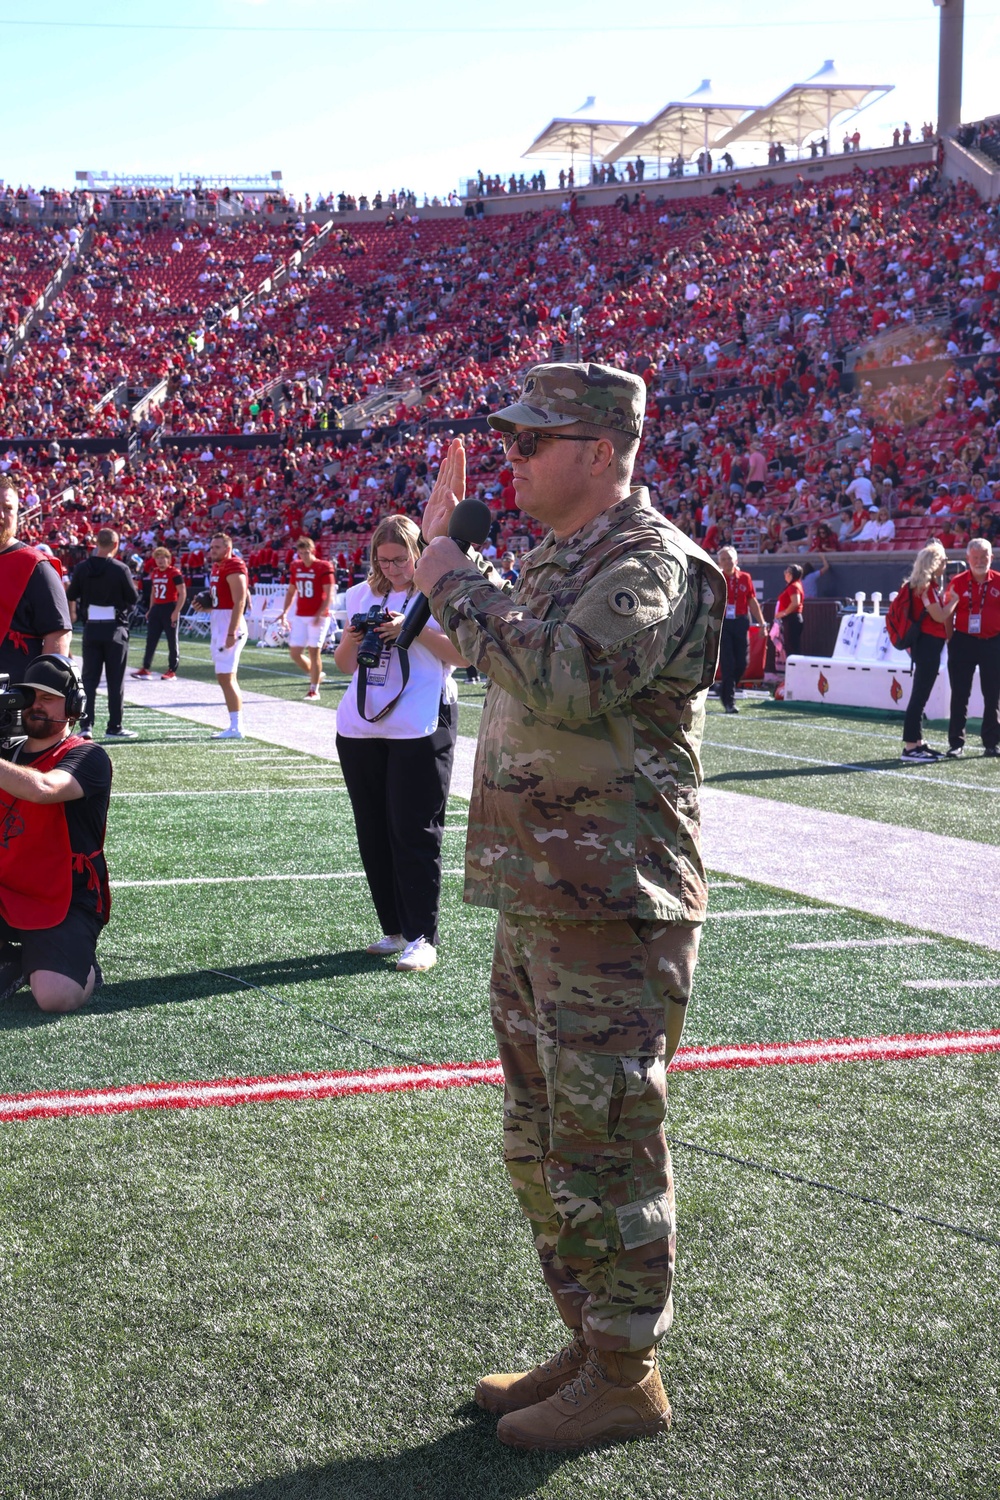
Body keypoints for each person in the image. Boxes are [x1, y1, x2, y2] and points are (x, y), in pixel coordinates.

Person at [413, 363, 725, 1450]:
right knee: (541, 1140)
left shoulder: (648, 562)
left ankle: (627, 1371)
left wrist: (455, 574)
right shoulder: (556, 557)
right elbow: (501, 658)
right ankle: (590, 1344)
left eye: (531, 441)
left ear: (600, 450)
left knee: (606, 1143)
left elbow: (567, 677)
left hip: (612, 899)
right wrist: (444, 582)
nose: (513, 459)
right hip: (542, 892)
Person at [333, 514, 467, 973]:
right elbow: (345, 666)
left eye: (400, 559)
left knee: (415, 830)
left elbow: (465, 656)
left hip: (422, 721)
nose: (391, 568)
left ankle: (422, 937)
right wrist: (356, 635)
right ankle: (393, 929)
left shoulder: (438, 594)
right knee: (372, 831)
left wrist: (409, 630)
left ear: (418, 554)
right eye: (383, 560)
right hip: (361, 725)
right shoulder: (358, 594)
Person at [0, 655, 111, 1013]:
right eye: (29, 696)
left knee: (55, 996)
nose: (36, 705)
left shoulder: (88, 756)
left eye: (48, 698)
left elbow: (44, 788)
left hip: (64, 896)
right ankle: (14, 958)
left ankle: (81, 966)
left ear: (74, 706)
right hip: (8, 884)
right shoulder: (8, 752)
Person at [66, 528, 139, 741]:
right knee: (115, 681)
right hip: (115, 629)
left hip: (92, 628)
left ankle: (86, 725)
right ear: (115, 545)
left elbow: (71, 594)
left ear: (97, 542)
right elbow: (133, 598)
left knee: (89, 679)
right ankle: (114, 726)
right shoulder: (120, 568)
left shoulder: (81, 568)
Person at [0, 475, 71, 684]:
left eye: (7, 508)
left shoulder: (36, 566)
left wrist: (40, 696)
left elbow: (58, 636)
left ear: (17, 513)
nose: (1, 515)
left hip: (14, 703)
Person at [943, 538, 1000, 758]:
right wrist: (951, 639)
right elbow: (948, 613)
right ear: (967, 559)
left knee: (993, 694)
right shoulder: (957, 582)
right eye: (975, 557)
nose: (979, 561)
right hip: (963, 641)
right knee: (959, 693)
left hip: (993, 642)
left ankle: (991, 743)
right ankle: (956, 743)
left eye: (984, 556)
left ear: (991, 558)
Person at [899, 542, 956, 762]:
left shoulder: (921, 586)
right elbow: (939, 616)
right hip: (927, 644)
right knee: (919, 697)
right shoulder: (926, 588)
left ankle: (917, 742)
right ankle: (911, 746)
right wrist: (954, 602)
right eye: (943, 560)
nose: (946, 564)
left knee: (920, 695)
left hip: (926, 644)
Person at [201, 532, 249, 741]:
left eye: (217, 547)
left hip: (230, 625)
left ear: (227, 548)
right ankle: (234, 724)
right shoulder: (217, 567)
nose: (213, 551)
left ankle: (236, 726)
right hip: (220, 622)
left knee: (227, 677)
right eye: (212, 547)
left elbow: (239, 601)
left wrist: (231, 631)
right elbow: (220, 600)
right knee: (224, 677)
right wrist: (205, 606)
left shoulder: (233, 565)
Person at [276, 536, 334, 700]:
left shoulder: (323, 566)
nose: (304, 556)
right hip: (301, 615)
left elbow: (329, 594)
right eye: (301, 553)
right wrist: (284, 612)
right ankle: (316, 674)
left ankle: (314, 690)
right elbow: (291, 591)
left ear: (313, 551)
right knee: (295, 653)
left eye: (306, 553)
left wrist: (319, 614)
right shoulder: (296, 566)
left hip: (320, 616)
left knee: (314, 652)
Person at [717, 546, 766, 713]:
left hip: (740, 621)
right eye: (723, 559)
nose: (727, 562)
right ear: (719, 562)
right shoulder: (717, 578)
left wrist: (762, 623)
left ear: (736, 560)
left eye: (729, 558)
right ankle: (729, 702)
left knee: (742, 663)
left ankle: (723, 689)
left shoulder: (745, 577)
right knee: (728, 663)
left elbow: (752, 601)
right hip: (722, 623)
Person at [131, 546, 186, 680]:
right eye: (158, 558)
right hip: (157, 608)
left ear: (169, 559)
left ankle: (172, 670)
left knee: (172, 641)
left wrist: (176, 611)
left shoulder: (174, 573)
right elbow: (153, 593)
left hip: (170, 607)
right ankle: (146, 668)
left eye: (163, 558)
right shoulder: (154, 573)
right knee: (151, 640)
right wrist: (151, 609)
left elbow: (182, 593)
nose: (160, 561)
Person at [775, 563, 805, 658]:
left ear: (792, 574)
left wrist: (783, 613)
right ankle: (793, 670)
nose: (785, 574)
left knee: (793, 647)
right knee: (790, 646)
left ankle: (795, 670)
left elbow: (795, 602)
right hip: (790, 619)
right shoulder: (792, 585)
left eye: (787, 572)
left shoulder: (794, 586)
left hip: (792, 619)